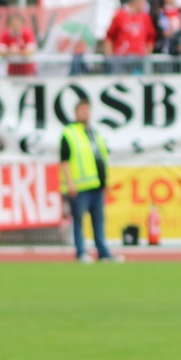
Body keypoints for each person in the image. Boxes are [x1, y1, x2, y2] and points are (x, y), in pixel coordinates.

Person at [59, 99, 120, 263]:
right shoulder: (69, 133)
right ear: (76, 113)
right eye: (82, 110)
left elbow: (101, 158)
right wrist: (70, 182)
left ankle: (102, 252)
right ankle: (81, 252)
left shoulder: (94, 133)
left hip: (96, 185)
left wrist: (104, 181)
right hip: (80, 186)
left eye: (87, 110)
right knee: (78, 220)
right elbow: (64, 160)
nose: (85, 114)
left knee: (99, 220)